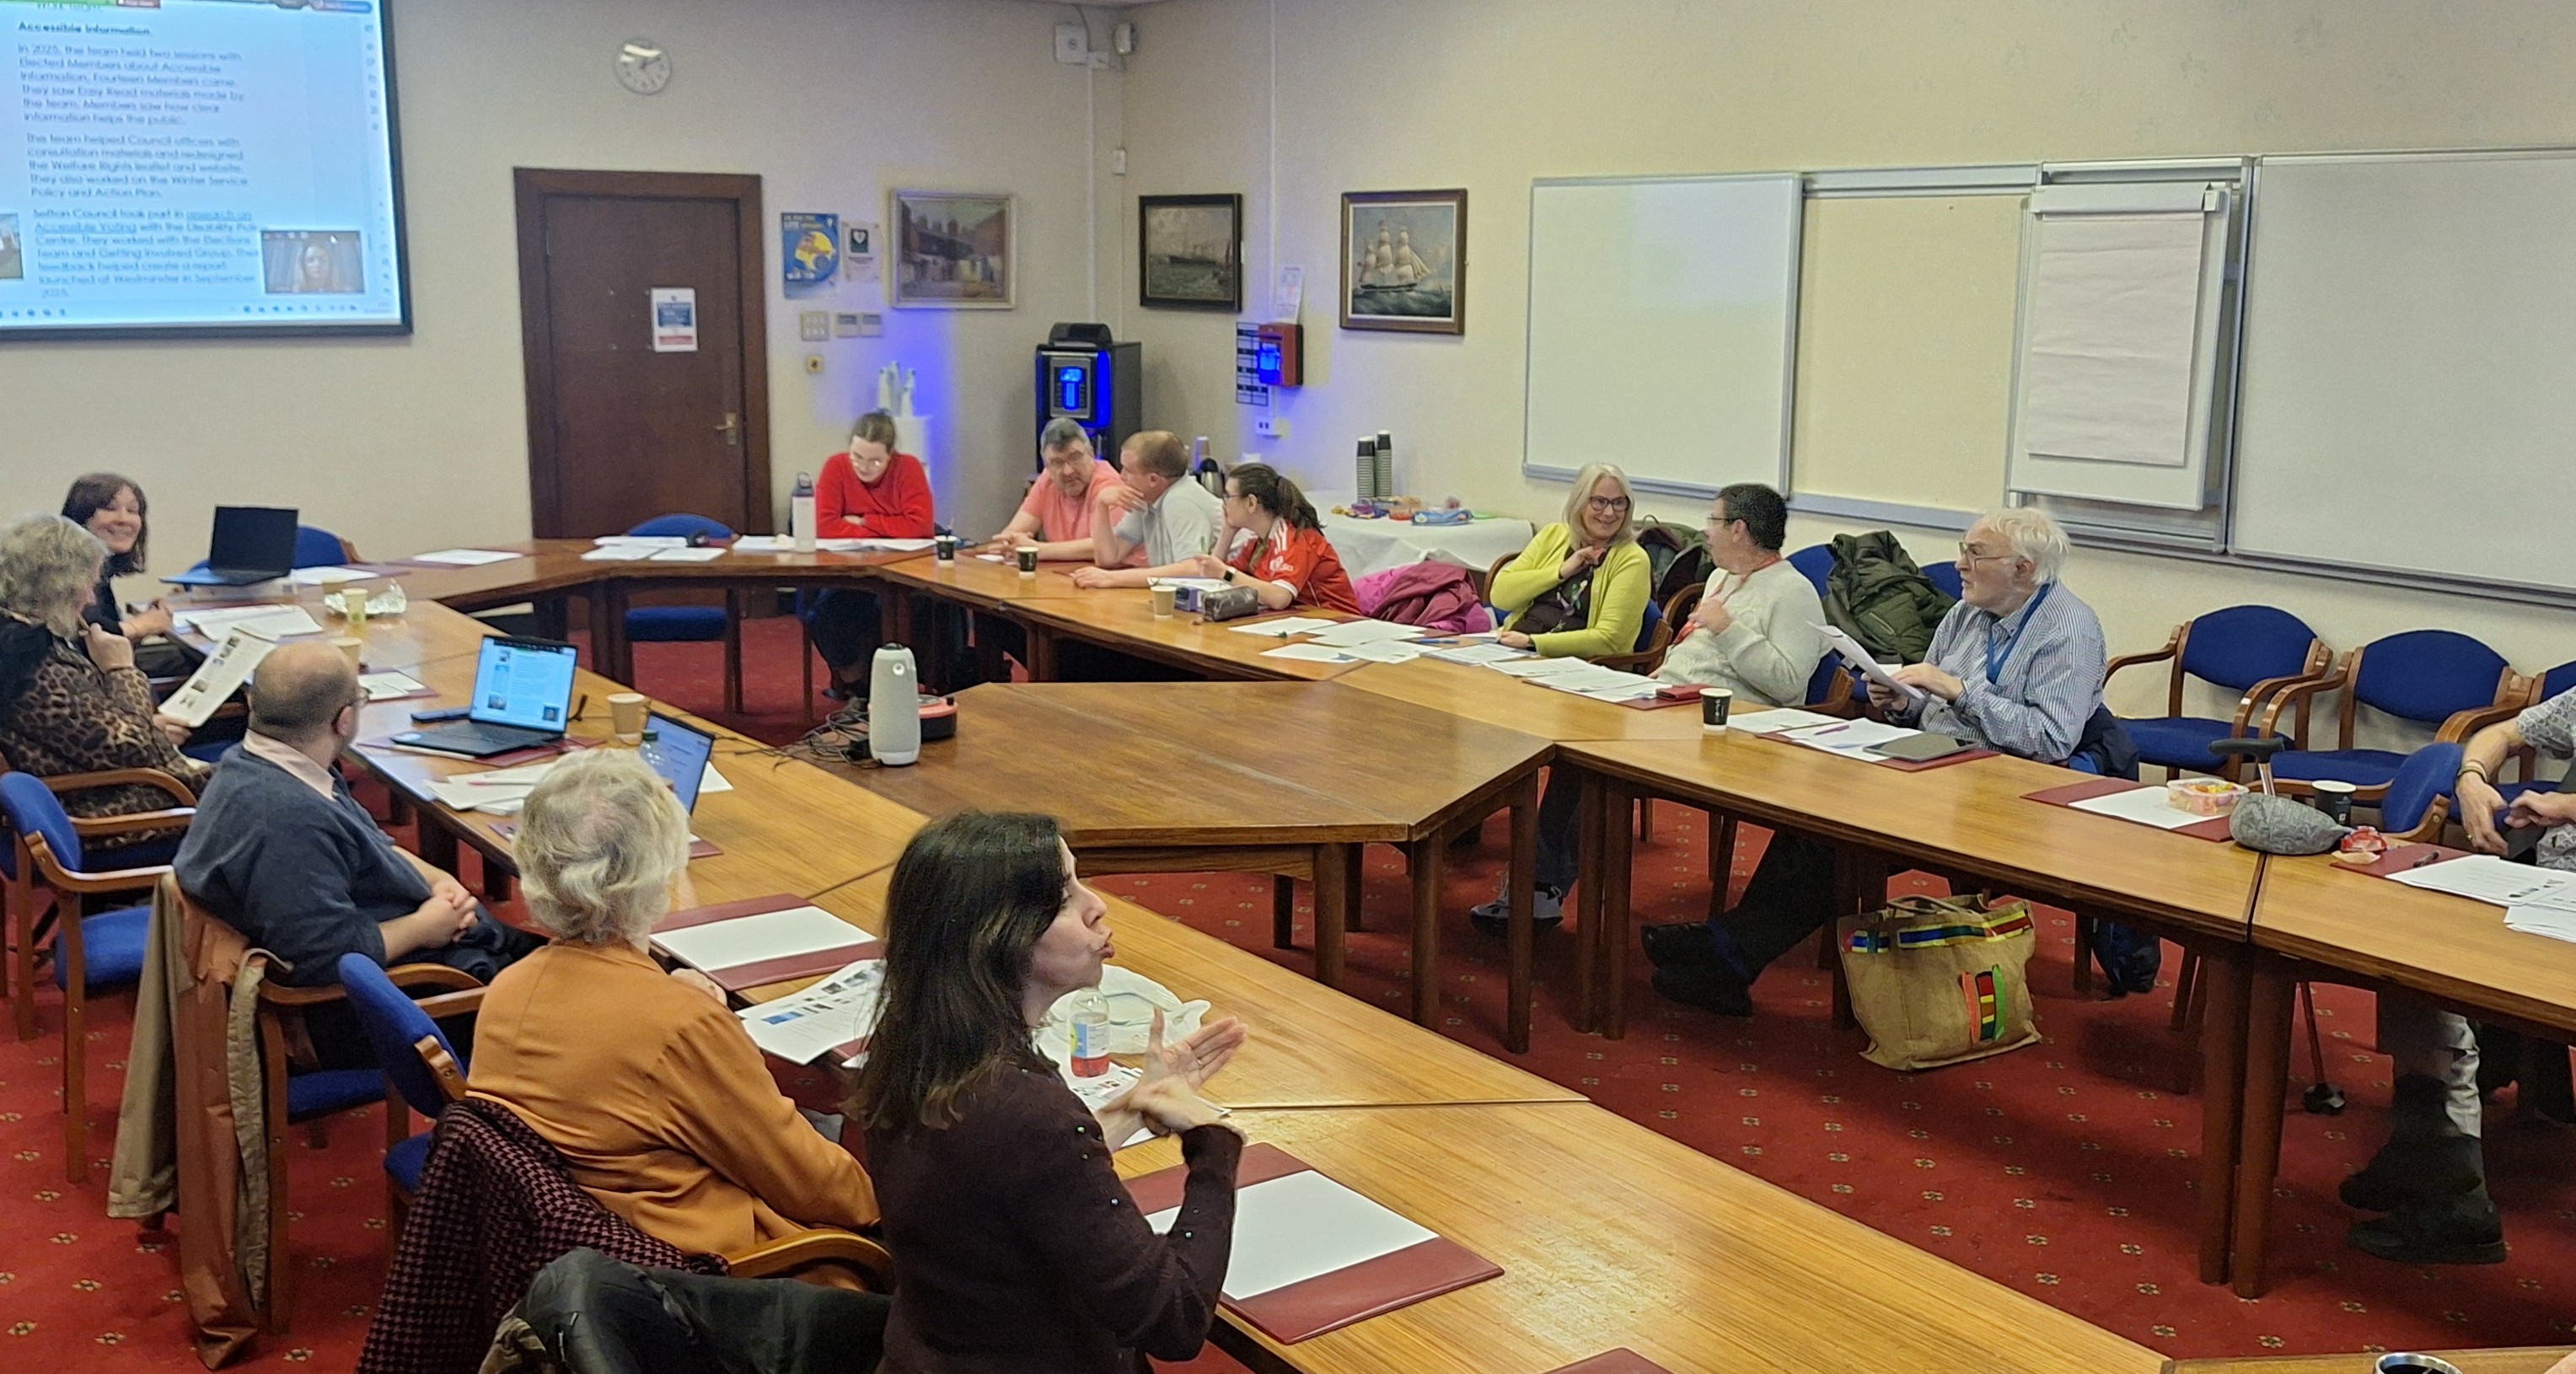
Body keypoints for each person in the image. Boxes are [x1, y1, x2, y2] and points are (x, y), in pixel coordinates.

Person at [1645, 507, 2106, 1017]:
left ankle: (1727, 952)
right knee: (1812, 807)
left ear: (2023, 569)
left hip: (2002, 784)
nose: (1960, 565)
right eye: (1963, 551)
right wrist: (1902, 700)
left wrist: (1959, 691)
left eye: (1975, 554)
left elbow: (2051, 739)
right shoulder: (1967, 613)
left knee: (1837, 836)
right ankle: (1728, 947)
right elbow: (1931, 704)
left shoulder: (2069, 630)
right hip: (1935, 763)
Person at [857, 812, 1248, 1372]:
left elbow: (995, 1175)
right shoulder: (1025, 1111)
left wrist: (1132, 1109)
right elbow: (1175, 1319)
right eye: (1065, 897)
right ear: (1001, 935)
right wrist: (1215, 1145)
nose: (1098, 906)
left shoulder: (910, 1043)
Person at [467, 749, 881, 1259]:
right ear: (660, 873)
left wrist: (679, 1006)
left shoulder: (508, 989)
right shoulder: (680, 1026)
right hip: (705, 1275)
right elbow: (816, 1187)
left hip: (570, 1251)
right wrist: (889, 1207)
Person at [1473, 484, 1824, 934]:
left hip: (1727, 726)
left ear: (1739, 529)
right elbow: (1695, 654)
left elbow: (1790, 684)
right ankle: (1537, 888)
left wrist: (1729, 630)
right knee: (1574, 747)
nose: (1706, 531)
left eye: (1714, 521)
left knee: (1598, 763)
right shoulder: (1721, 579)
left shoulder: (1793, 592)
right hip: (1670, 703)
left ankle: (1541, 890)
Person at [174, 641, 537, 1059]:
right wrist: (426, 926)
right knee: (560, 999)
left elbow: (373, 843)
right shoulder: (288, 820)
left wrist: (440, 881)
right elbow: (323, 958)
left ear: (252, 703)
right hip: (352, 1009)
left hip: (394, 950)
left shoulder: (263, 764)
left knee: (546, 958)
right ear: (344, 721)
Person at [2333, 689, 2576, 1264]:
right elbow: (2504, 733)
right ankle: (2423, 1148)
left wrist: (2567, 807)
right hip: (2544, 887)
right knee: (2409, 954)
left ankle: (2458, 1203)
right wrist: (2472, 778)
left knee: (2443, 987)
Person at [0, 514, 209, 847]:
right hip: (110, 814)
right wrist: (121, 669)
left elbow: (91, 726)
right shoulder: (30, 664)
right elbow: (136, 747)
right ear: (58, 587)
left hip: (112, 785)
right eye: (87, 585)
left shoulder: (23, 639)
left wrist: (149, 724)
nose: (91, 600)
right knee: (263, 795)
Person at [807, 411, 937, 693]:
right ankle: (855, 682)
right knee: (827, 613)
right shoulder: (836, 467)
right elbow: (824, 526)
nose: (864, 468)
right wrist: (891, 526)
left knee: (914, 608)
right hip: (849, 570)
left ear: (891, 455)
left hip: (904, 569)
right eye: (857, 457)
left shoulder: (908, 468)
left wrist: (864, 521)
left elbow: (920, 526)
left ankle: (908, 681)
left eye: (875, 461)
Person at [1486, 464, 1652, 660]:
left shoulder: (1633, 559)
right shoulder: (1553, 535)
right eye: (1599, 502)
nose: (1609, 512)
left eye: (1618, 503)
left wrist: (1533, 642)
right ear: (1579, 503)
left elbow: (1609, 640)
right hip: (1512, 647)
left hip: (1576, 663)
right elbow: (1501, 597)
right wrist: (1560, 572)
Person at [1185, 463, 1360, 615]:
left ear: (1251, 503)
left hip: (1338, 624)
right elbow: (1218, 576)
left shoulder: (1295, 537)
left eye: (1228, 496)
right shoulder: (1259, 542)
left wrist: (1225, 573)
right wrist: (1227, 532)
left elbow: (1279, 598)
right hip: (1301, 622)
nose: (1224, 504)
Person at [1066, 431, 1225, 590]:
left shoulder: (1181, 500)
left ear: (1153, 480)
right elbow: (1108, 558)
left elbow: (1194, 569)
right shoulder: (1146, 499)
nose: (1122, 476)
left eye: (1128, 470)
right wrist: (1101, 505)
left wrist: (1112, 578)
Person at [985, 418, 1130, 565]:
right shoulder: (1047, 480)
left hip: (1102, 575)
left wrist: (1039, 550)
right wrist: (1009, 543)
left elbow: (1109, 547)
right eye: (1057, 463)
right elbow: (1015, 531)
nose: (1068, 471)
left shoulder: (1107, 485)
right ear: (1047, 466)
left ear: (1091, 453)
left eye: (1075, 458)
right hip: (1061, 573)